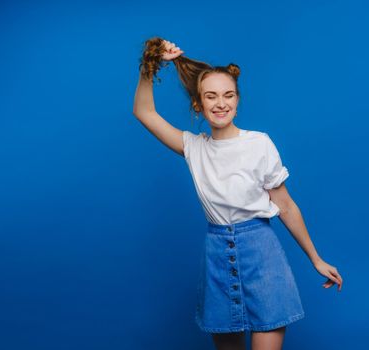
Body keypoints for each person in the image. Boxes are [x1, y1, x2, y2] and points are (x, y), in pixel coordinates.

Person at [133, 37, 343, 350]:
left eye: (228, 95)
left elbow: (285, 204)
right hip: (217, 258)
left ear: (237, 100)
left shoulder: (259, 143)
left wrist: (315, 258)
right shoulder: (194, 147)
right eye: (211, 96)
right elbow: (144, 112)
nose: (221, 103)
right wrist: (150, 66)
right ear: (198, 104)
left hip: (263, 257)